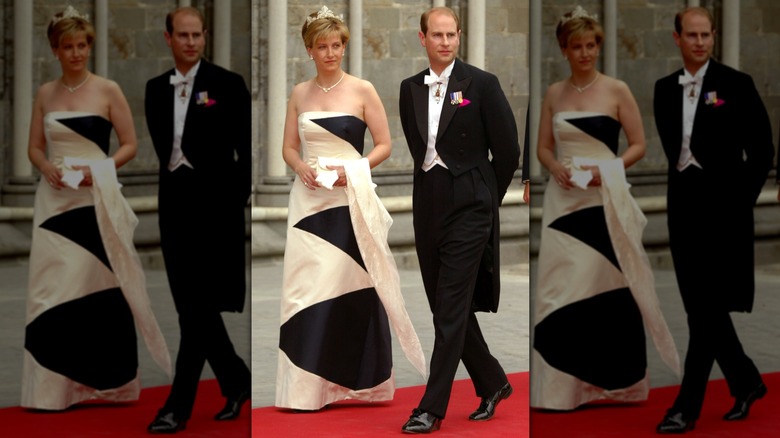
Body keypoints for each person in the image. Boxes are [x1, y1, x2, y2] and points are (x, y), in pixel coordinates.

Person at [275, 5, 426, 412]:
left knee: (349, 289)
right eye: (322, 46)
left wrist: (353, 169)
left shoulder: (362, 90)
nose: (330, 52)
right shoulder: (299, 93)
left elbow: (384, 145)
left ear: (344, 45)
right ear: (309, 50)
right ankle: (304, 390)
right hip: (308, 205)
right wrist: (300, 166)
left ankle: (360, 383)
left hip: (349, 202)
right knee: (303, 293)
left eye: (336, 44)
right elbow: (289, 146)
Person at [530, 6, 679, 411]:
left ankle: (617, 384)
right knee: (557, 292)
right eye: (576, 46)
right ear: (564, 49)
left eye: (591, 45)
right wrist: (554, 166)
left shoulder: (617, 90)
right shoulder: (555, 93)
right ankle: (561, 390)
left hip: (604, 200)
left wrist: (608, 168)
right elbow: (543, 145)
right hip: (564, 204)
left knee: (607, 288)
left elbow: (639, 145)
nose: (585, 53)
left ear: (598, 45)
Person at [22, 6, 171, 411]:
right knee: (50, 293)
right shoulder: (45, 93)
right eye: (67, 46)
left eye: (82, 45)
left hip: (96, 200)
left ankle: (110, 383)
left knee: (98, 288)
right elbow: (34, 146)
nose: (76, 53)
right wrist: (46, 166)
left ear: (89, 45)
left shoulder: (107, 90)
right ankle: (51, 390)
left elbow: (129, 144)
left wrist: (100, 169)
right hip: (54, 204)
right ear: (55, 50)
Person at [398, 6, 521, 433]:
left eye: (452, 34)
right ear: (423, 38)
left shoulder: (481, 84)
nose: (446, 42)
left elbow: (508, 151)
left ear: (459, 36)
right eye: (437, 35)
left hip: (470, 206)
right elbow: (419, 152)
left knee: (450, 309)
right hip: (427, 205)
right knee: (444, 307)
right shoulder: (409, 88)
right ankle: (493, 381)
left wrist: (487, 199)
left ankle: (430, 408)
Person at [653, 7, 774, 433]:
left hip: (726, 216)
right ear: (677, 38)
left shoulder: (736, 85)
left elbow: (762, 152)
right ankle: (746, 381)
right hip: (683, 214)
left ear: (714, 36)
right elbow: (675, 154)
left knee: (706, 313)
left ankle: (686, 407)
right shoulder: (663, 89)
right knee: (700, 311)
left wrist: (740, 199)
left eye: (707, 35)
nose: (701, 42)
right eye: (692, 35)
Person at [144, 7, 251, 433]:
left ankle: (177, 406)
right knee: (191, 308)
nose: (191, 42)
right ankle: (237, 379)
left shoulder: (227, 84)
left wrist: (233, 201)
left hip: (215, 212)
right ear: (168, 38)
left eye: (197, 35)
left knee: (198, 308)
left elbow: (246, 151)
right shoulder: (154, 89)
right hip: (173, 209)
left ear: (205, 37)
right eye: (182, 35)